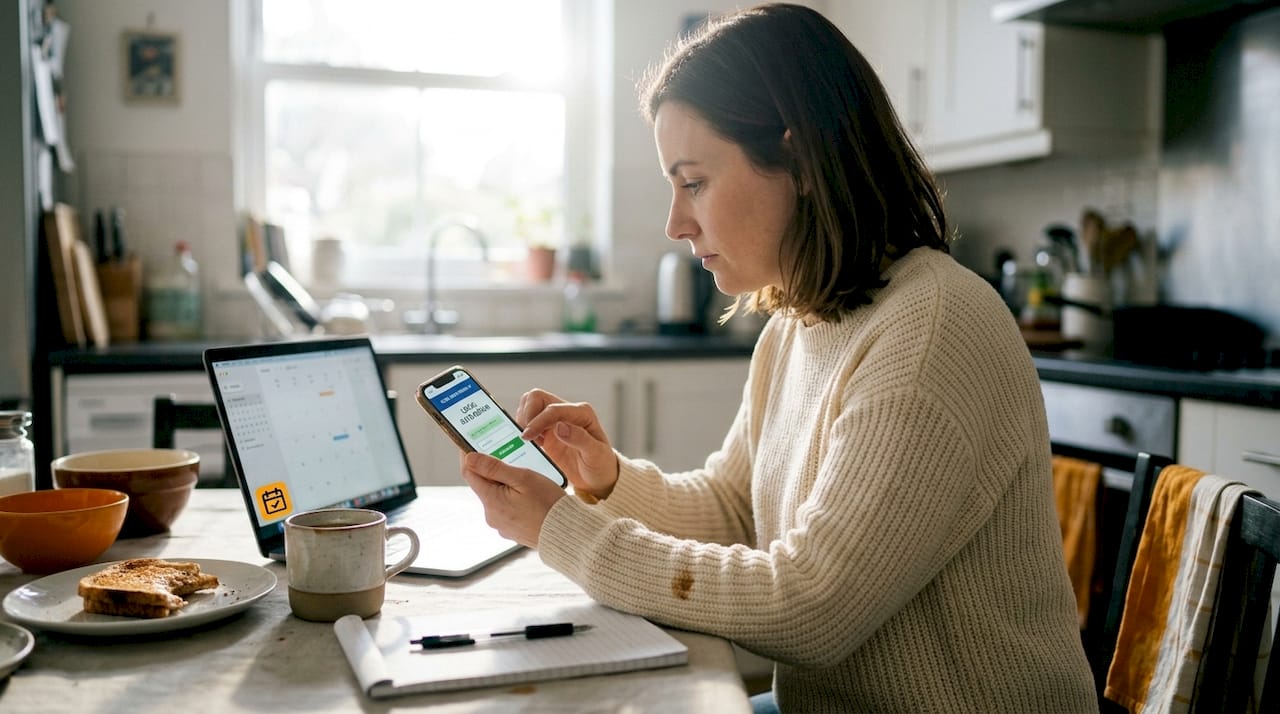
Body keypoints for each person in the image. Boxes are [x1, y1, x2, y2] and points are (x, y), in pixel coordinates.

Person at [459, 4, 1097, 712]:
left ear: (795, 161)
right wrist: (605, 480)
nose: (676, 223)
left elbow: (811, 607)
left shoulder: (933, 330)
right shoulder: (799, 323)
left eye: (693, 181)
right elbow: (735, 506)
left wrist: (564, 531)